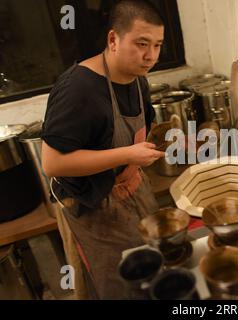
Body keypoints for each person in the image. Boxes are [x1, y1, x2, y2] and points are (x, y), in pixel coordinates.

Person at [41, 0, 166, 299]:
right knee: (124, 281)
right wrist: (127, 156)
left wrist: (136, 164)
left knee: (154, 262)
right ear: (113, 39)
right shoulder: (78, 89)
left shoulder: (138, 80)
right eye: (141, 43)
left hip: (132, 185)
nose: (150, 56)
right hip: (93, 204)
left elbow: (137, 133)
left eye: (158, 45)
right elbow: (53, 163)